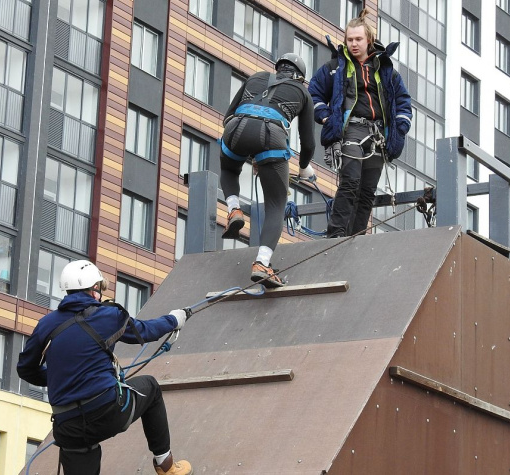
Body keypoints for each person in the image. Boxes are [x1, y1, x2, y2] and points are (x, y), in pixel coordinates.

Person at [17, 260, 192, 475]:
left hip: (69, 426)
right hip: (107, 412)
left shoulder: (45, 325)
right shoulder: (109, 316)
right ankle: (166, 466)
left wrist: (62, 376)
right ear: (93, 289)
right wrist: (174, 319)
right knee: (151, 387)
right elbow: (145, 332)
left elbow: (25, 369)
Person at [308, 8, 412, 238]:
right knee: (350, 181)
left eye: (358, 39)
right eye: (350, 39)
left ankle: (355, 239)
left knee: (367, 192)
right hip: (352, 129)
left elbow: (404, 102)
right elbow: (313, 92)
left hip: (378, 136)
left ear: (369, 40)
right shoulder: (336, 68)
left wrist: (401, 127)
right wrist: (325, 116)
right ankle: (336, 234)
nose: (354, 44)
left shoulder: (386, 71)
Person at [219, 53, 316, 288]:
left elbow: (228, 115)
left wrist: (249, 149)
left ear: (278, 68)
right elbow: (309, 143)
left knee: (229, 169)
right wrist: (303, 168)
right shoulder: (303, 93)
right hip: (271, 136)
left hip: (235, 129)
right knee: (276, 203)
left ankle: (233, 209)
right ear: (300, 77)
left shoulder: (257, 77)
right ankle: (262, 264)